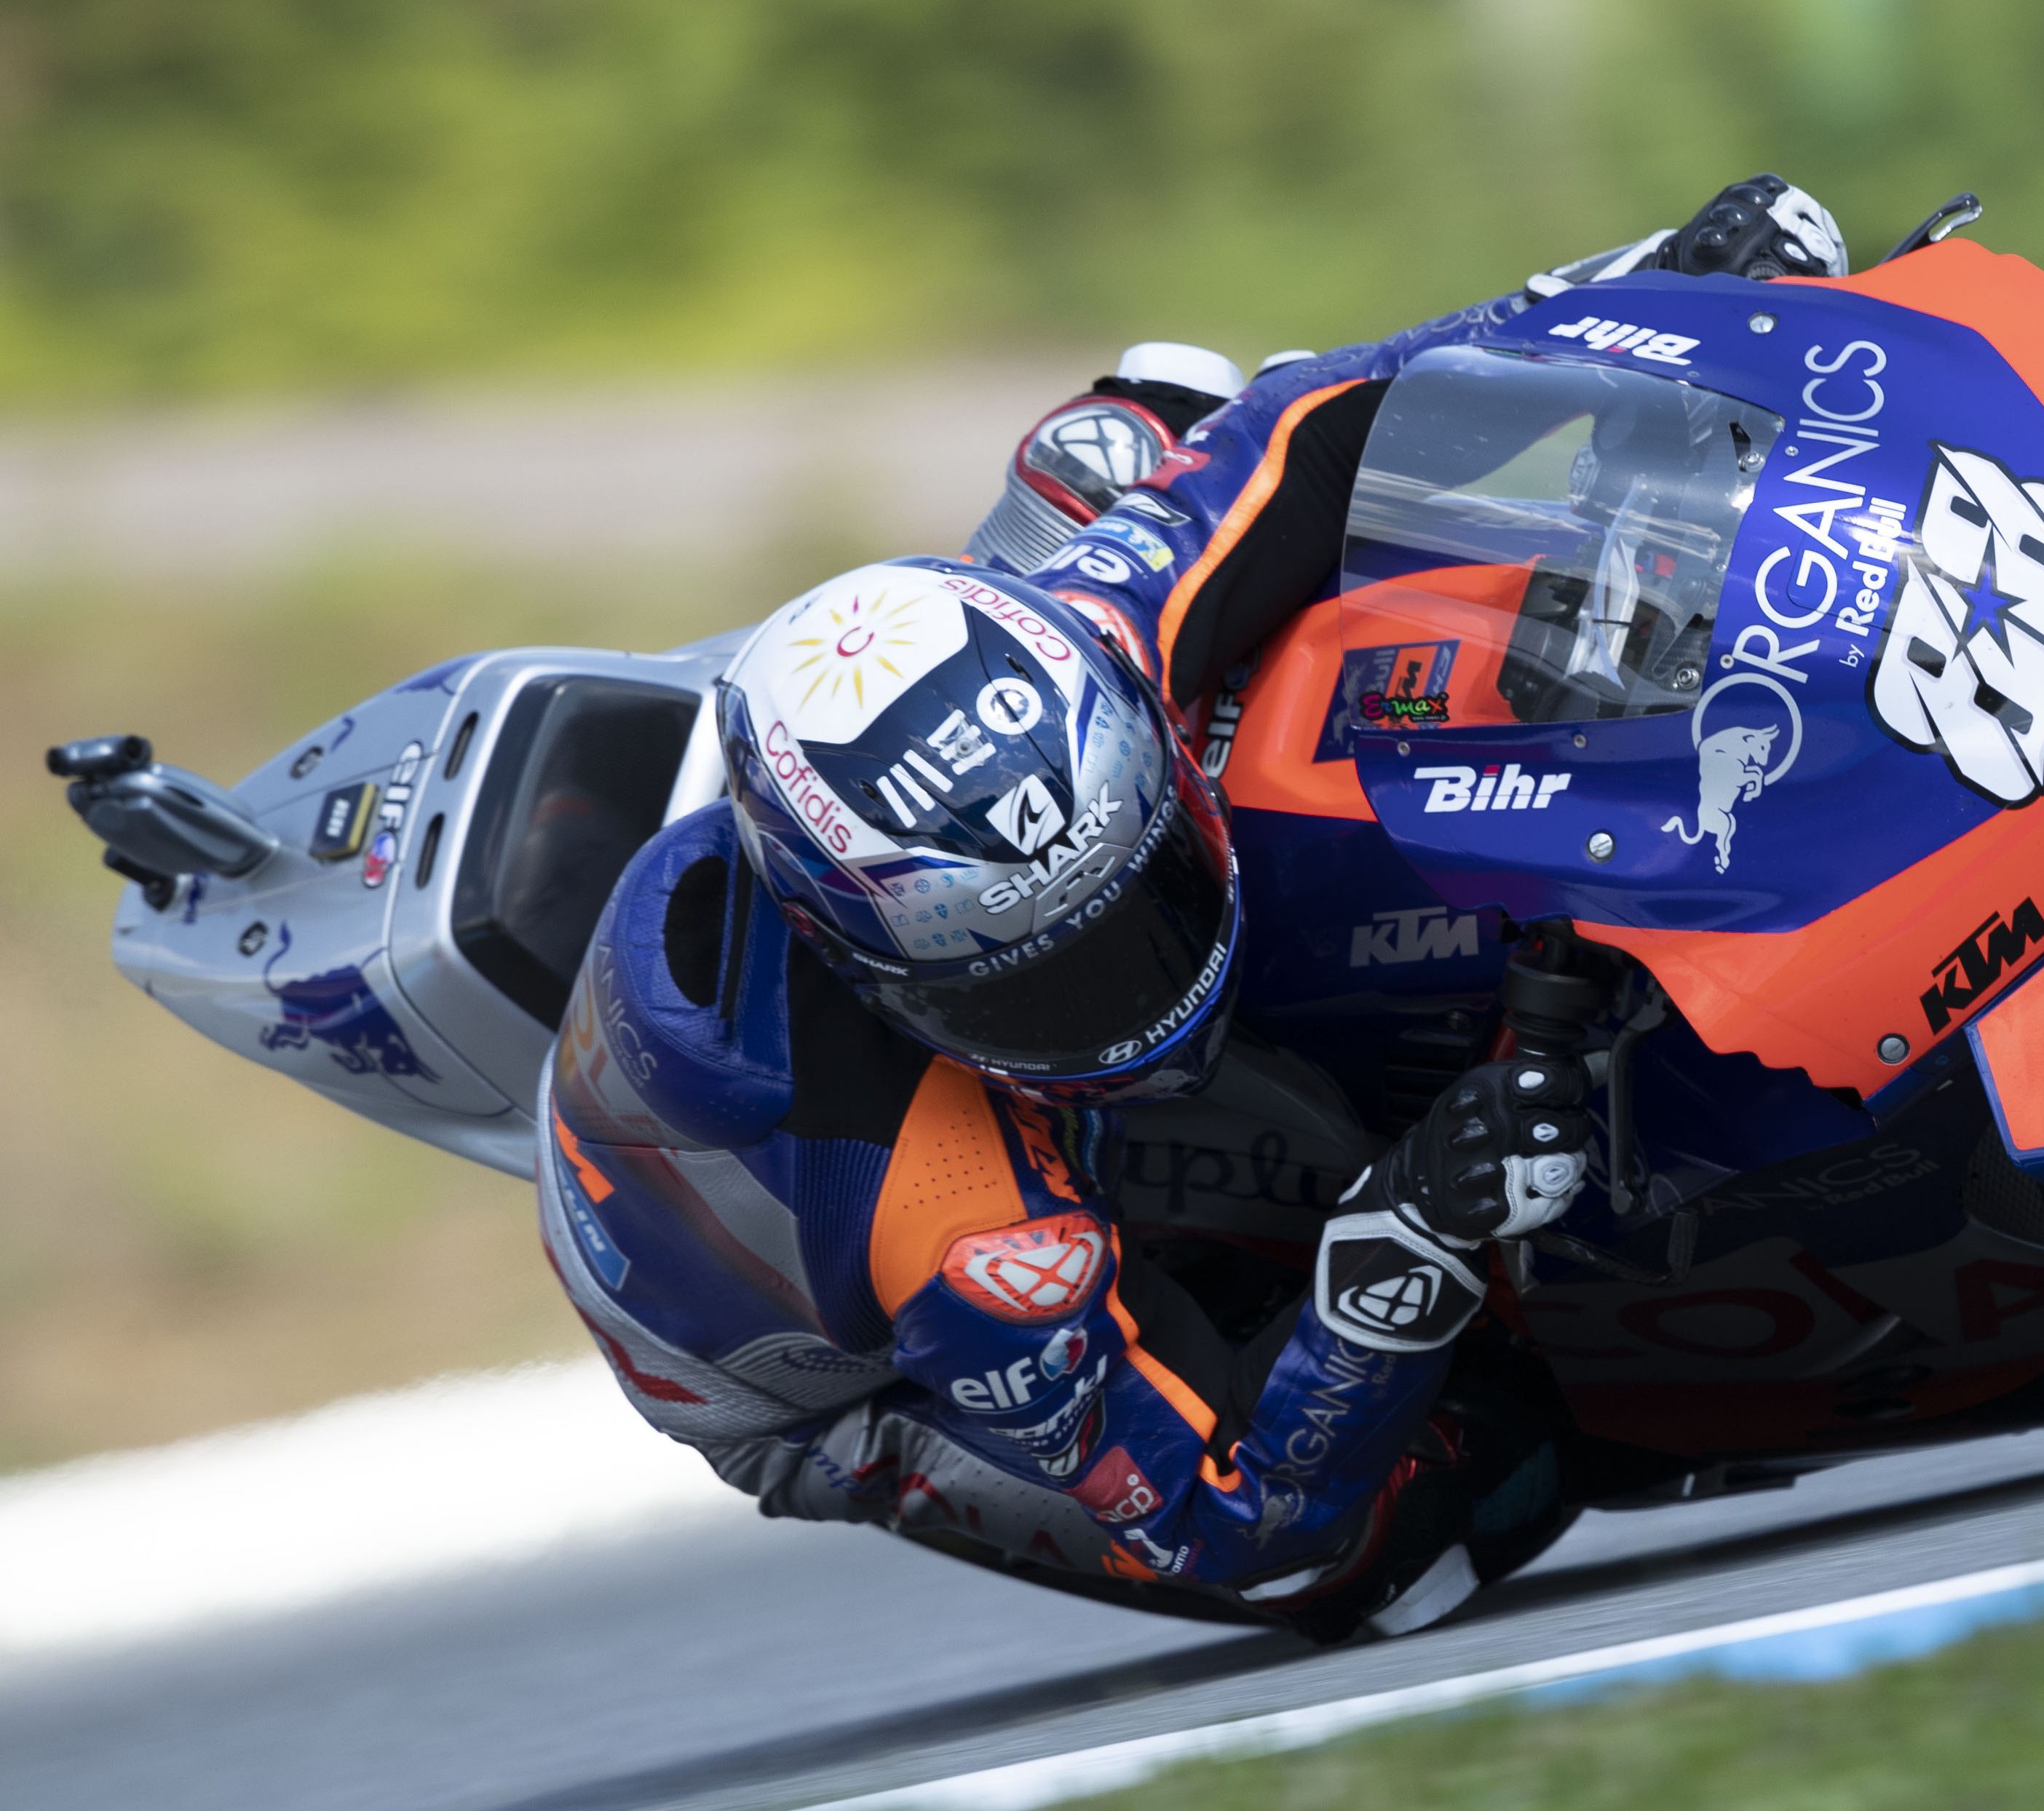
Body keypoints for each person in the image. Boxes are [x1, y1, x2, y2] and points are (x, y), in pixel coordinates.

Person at [539, 177, 1848, 1640]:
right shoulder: (965, 1227)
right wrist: (1412, 1225)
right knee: (1427, 1517)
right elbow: (1228, 1513)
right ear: (883, 981)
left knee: (1170, 432)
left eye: (1143, 892)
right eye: (1052, 984)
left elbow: (1317, 423)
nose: (1142, 985)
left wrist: (1647, 291)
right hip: (839, 1374)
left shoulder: (1096, 628)